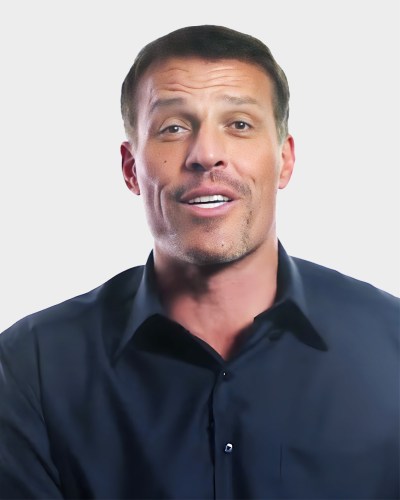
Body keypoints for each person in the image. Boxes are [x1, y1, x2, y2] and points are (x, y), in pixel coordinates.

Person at [0, 24, 398, 500]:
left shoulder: (391, 347)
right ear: (131, 169)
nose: (207, 154)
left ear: (285, 160)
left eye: (240, 125)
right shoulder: (31, 369)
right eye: (173, 128)